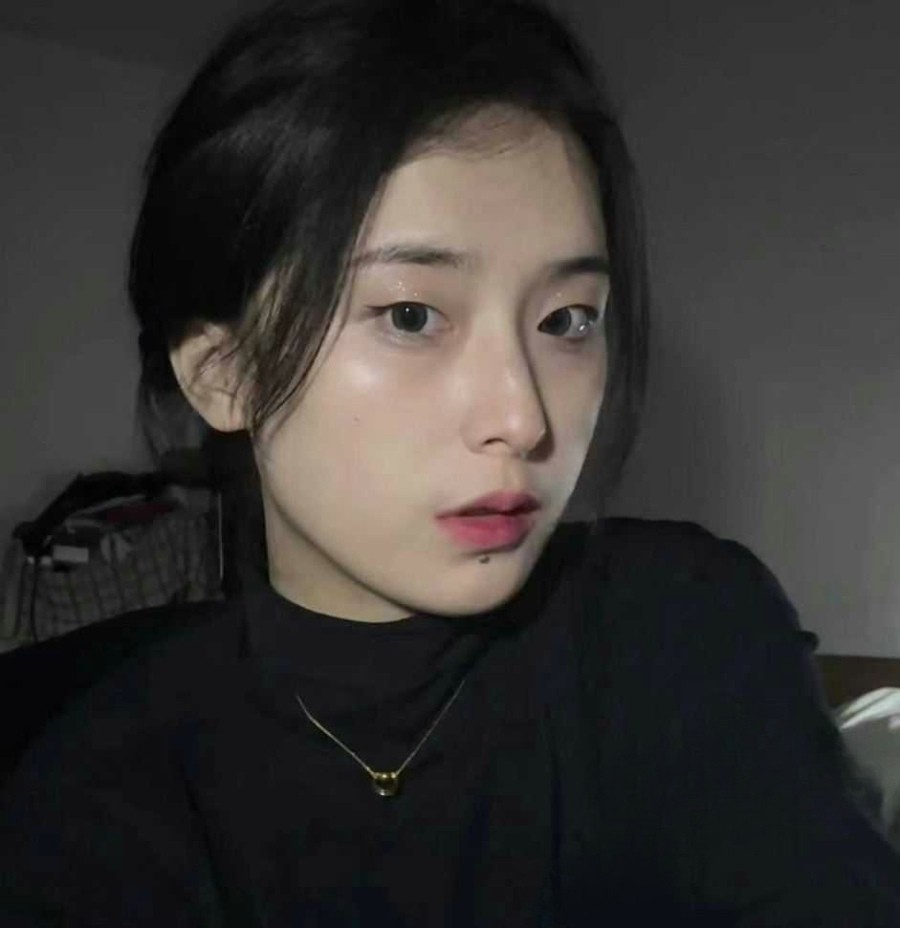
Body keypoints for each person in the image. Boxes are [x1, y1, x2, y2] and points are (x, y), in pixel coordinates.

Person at [2, 0, 899, 923]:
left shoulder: (685, 628)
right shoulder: (98, 809)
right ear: (223, 374)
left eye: (567, 320)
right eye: (411, 315)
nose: (524, 417)